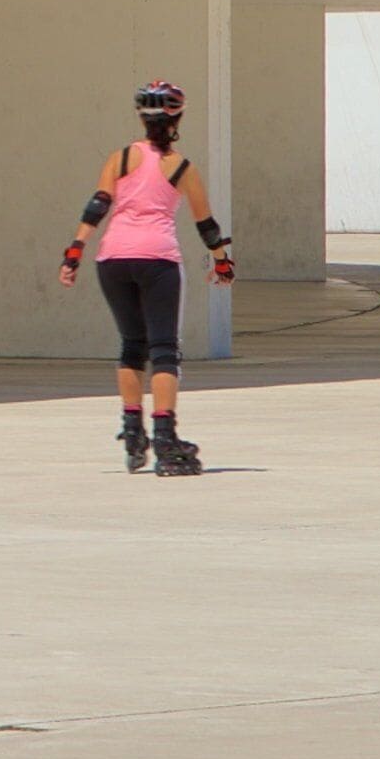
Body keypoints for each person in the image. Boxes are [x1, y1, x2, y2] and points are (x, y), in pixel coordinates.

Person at [56, 79, 235, 476]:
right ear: (177, 119)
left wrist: (75, 251)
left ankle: (133, 432)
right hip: (157, 260)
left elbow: (97, 206)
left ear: (142, 118)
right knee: (164, 351)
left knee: (131, 346)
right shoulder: (182, 167)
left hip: (112, 260)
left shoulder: (120, 159)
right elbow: (205, 224)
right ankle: (166, 440)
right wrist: (222, 261)